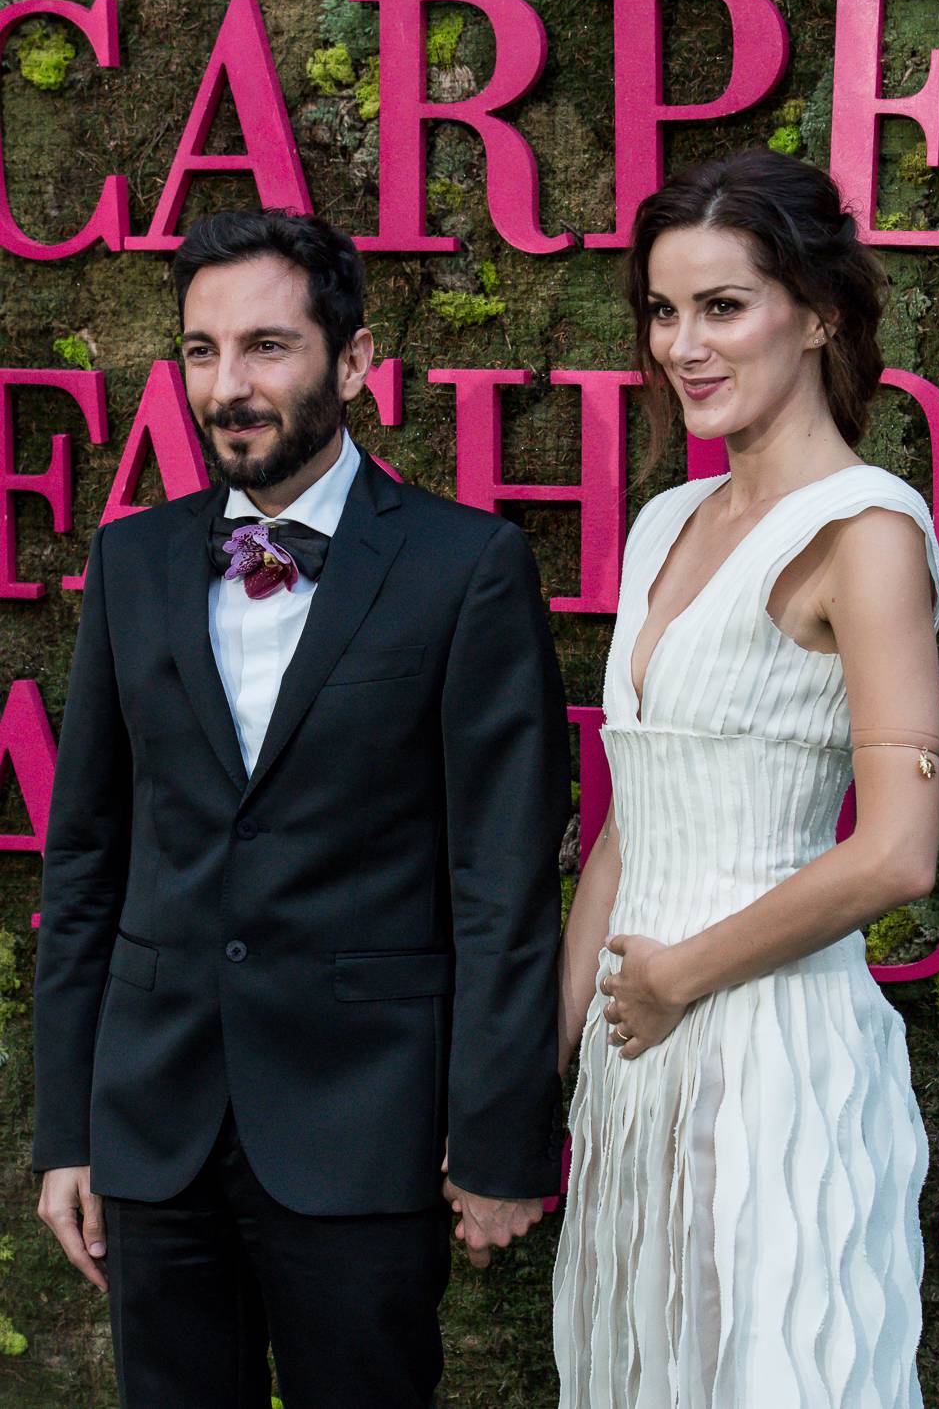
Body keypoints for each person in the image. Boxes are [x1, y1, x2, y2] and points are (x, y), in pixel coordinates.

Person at [32, 208, 570, 1409]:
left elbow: (502, 884)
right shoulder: (130, 563)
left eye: (267, 347)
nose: (230, 386)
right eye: (201, 351)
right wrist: (66, 1130)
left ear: (356, 362)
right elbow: (86, 866)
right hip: (155, 1127)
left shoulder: (466, 568)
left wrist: (497, 1139)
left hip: (363, 1128)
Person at [553, 150, 939, 1408]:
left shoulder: (866, 532)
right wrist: (541, 1069)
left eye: (722, 306)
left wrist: (678, 975)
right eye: (662, 312)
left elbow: (895, 853)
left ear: (818, 312)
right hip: (636, 1060)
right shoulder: (663, 522)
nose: (682, 345)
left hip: (773, 1048)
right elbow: (627, 824)